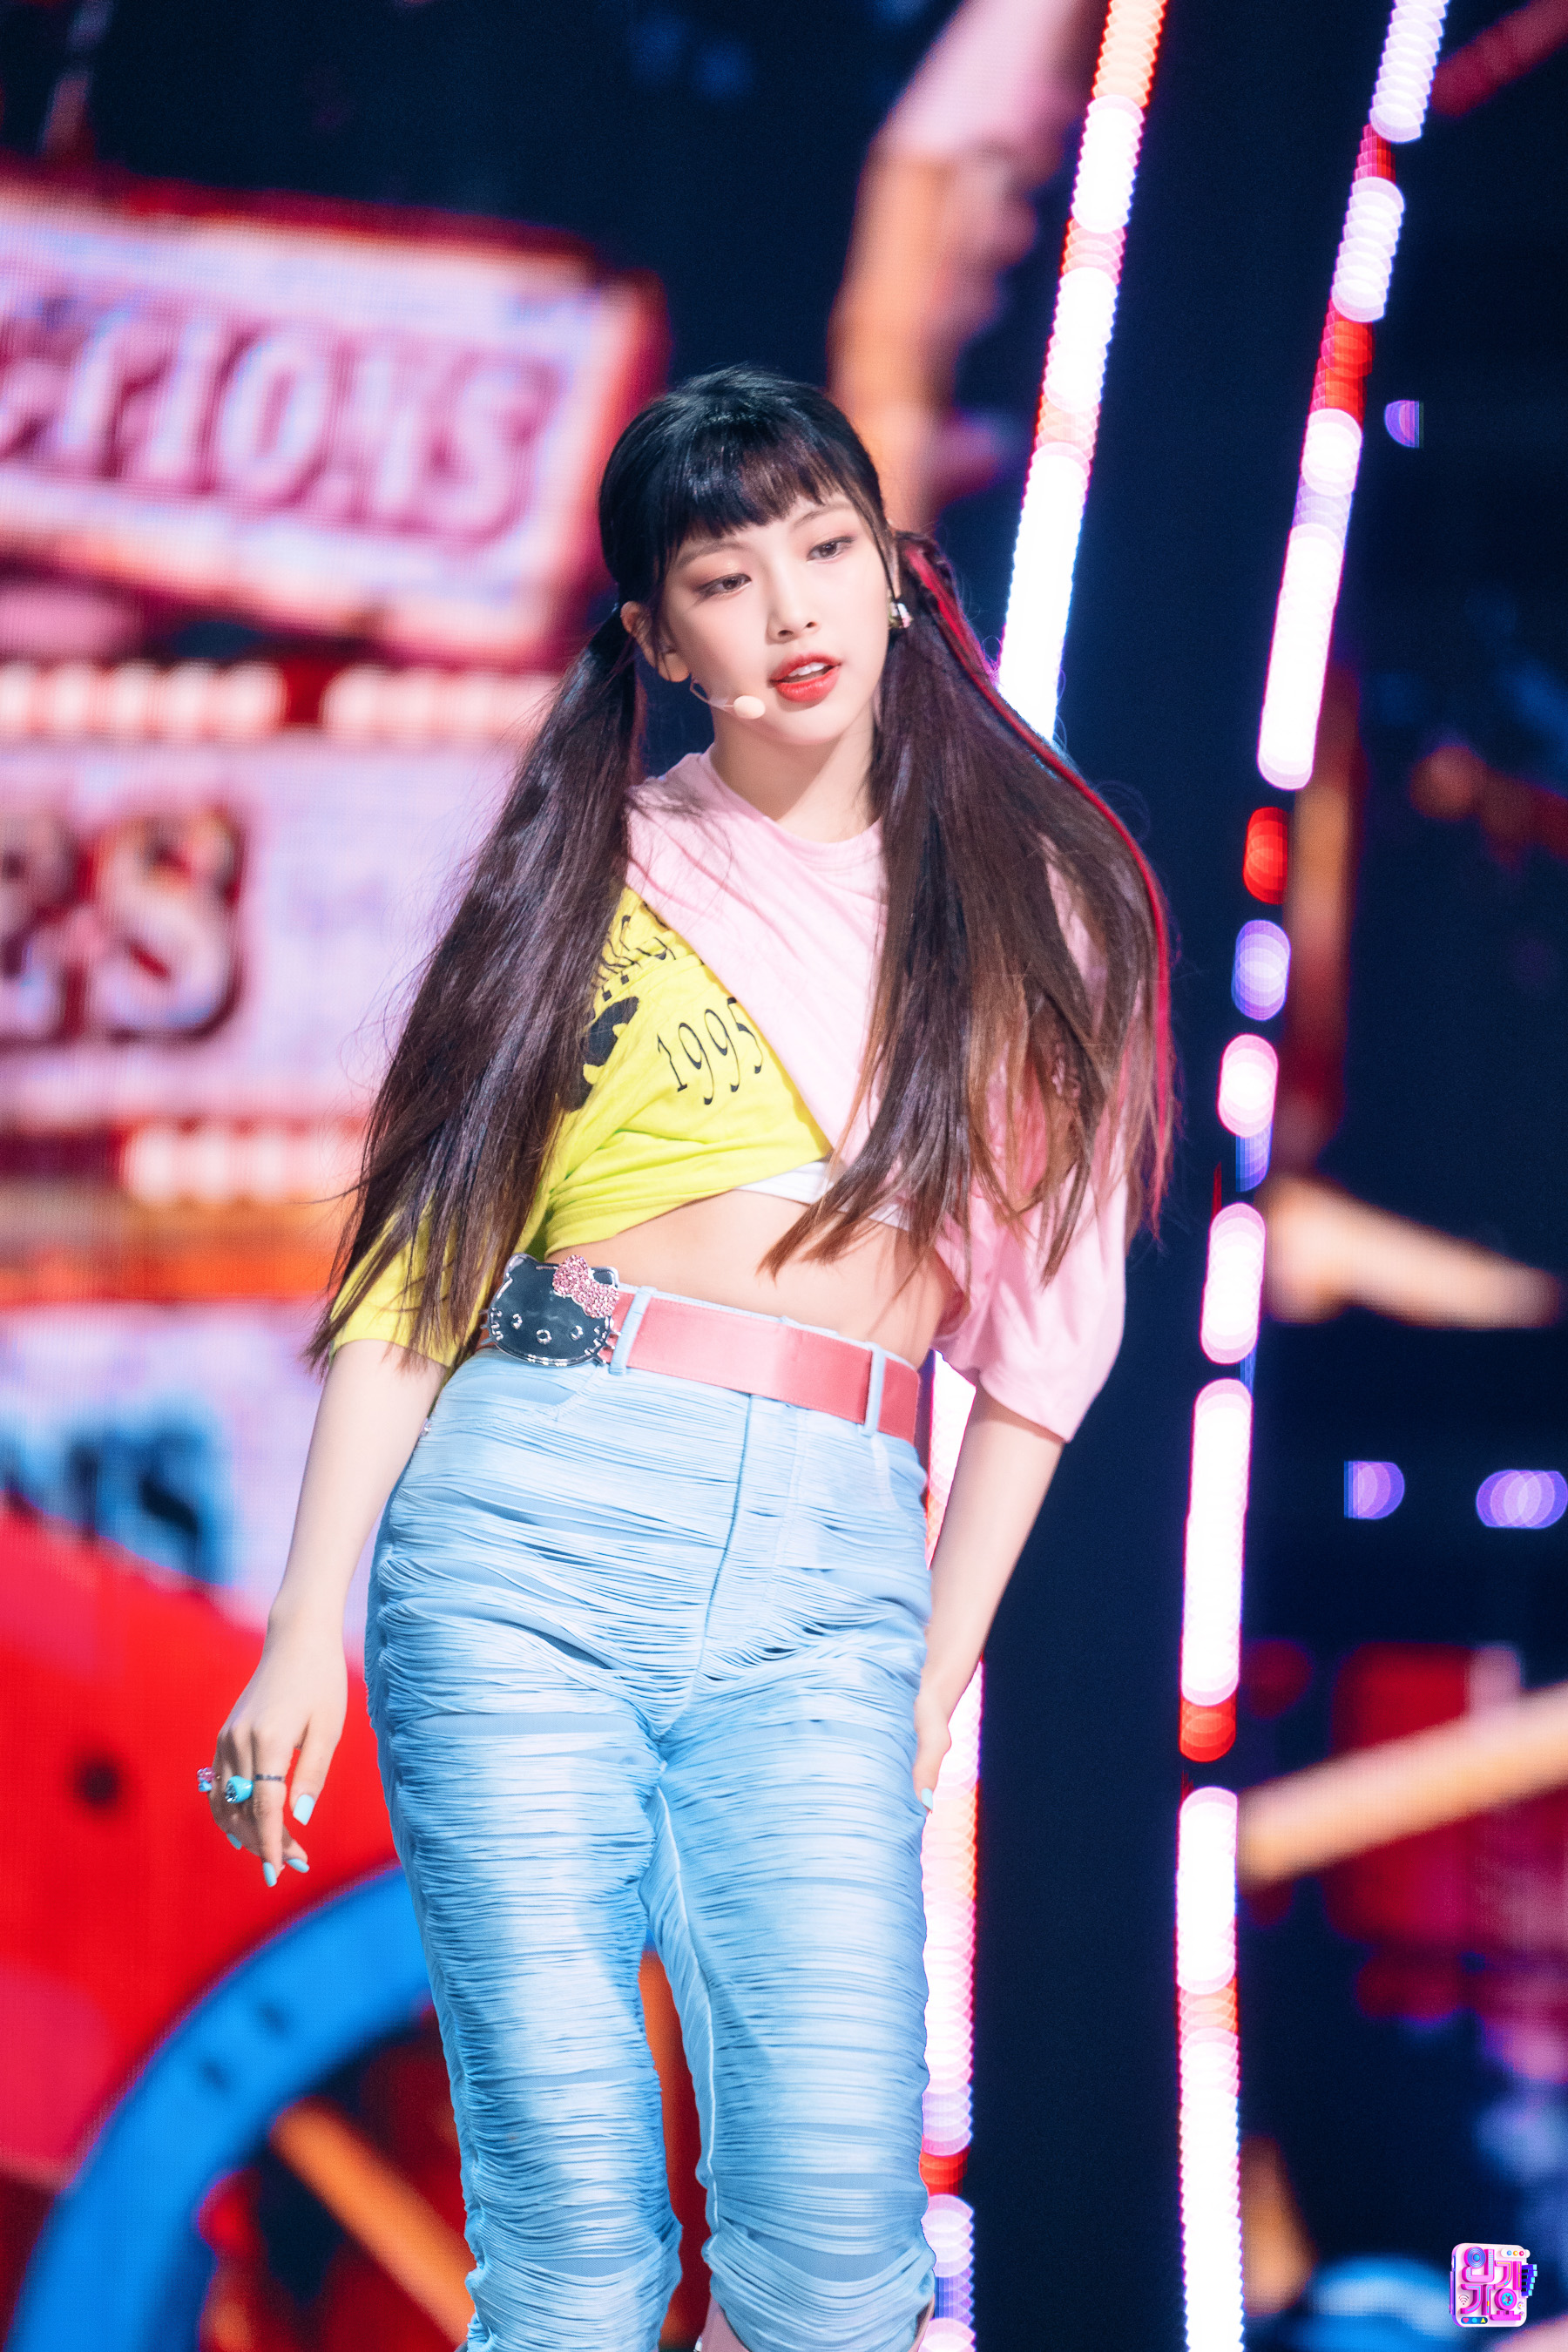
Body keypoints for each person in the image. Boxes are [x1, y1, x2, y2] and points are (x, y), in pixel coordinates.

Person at [203, 366, 1172, 2352]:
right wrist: (304, 1629)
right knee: (569, 2244)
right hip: (530, 1525)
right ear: (658, 640)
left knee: (838, 2273)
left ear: (897, 571)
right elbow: (424, 1261)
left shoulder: (1038, 906)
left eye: (825, 548)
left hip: (832, 1566)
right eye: (727, 579)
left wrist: (930, 1678)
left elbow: (1047, 1350)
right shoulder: (593, 870)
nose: (792, 607)